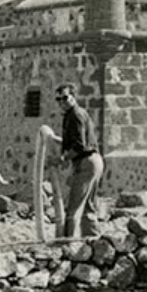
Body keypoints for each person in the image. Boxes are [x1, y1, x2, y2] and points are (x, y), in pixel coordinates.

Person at [54, 83, 104, 237]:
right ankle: (94, 240)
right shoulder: (75, 114)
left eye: (65, 98)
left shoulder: (75, 115)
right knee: (87, 207)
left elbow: (79, 145)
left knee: (73, 208)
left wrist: (62, 158)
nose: (62, 102)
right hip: (95, 161)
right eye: (58, 99)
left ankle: (67, 244)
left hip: (86, 162)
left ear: (73, 97)